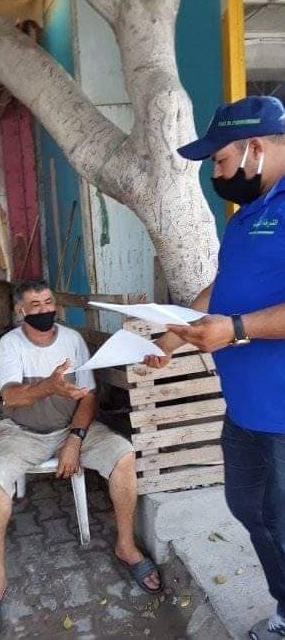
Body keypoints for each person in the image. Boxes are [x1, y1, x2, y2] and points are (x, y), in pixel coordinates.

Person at [144, 96, 285, 640]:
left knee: (280, 521)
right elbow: (222, 287)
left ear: (255, 147)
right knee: (250, 508)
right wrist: (172, 336)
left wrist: (237, 329)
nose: (217, 175)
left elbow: (236, 316)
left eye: (221, 161)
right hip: (246, 408)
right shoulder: (248, 214)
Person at [0, 280, 162, 637]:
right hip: (22, 432)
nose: (44, 309)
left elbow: (88, 397)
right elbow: (11, 397)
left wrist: (75, 439)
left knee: (123, 454)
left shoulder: (72, 340)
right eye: (34, 304)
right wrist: (50, 385)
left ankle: (125, 545)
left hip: (71, 428)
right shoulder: (10, 344)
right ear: (20, 311)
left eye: (48, 302)